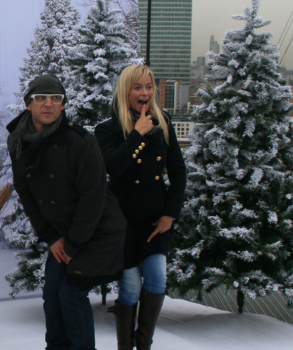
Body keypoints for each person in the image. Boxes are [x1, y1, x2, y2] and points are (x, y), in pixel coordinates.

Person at [6, 74, 126, 350]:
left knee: (71, 294)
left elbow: (93, 197)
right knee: (52, 293)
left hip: (98, 230)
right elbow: (25, 189)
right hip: (63, 234)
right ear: (28, 105)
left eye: (55, 99)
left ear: (62, 106)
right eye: (40, 98)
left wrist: (72, 243)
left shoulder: (80, 140)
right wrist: (51, 236)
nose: (48, 104)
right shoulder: (18, 141)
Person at [94, 65, 187, 350]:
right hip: (122, 222)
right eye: (137, 87)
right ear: (126, 92)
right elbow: (112, 168)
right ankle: (126, 346)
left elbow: (179, 173)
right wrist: (136, 134)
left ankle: (144, 345)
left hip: (156, 219)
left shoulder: (164, 123)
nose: (144, 93)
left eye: (148, 87)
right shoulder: (107, 130)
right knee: (131, 285)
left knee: (158, 276)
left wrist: (169, 215)